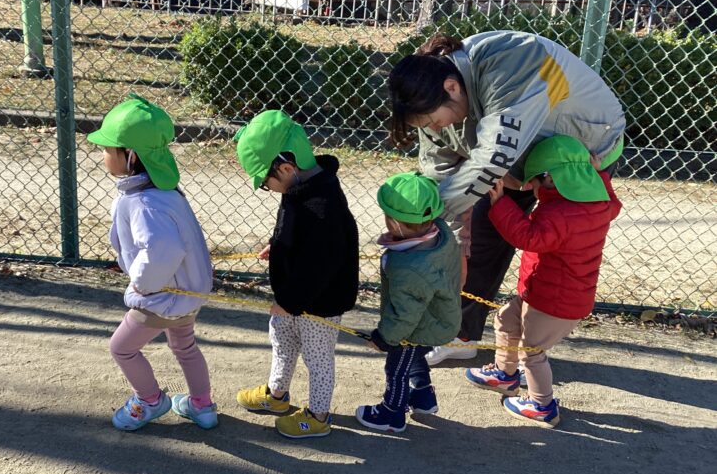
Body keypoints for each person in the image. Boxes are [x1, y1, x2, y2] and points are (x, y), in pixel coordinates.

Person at [388, 30, 626, 365]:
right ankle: (461, 335)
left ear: (451, 87)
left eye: (432, 121)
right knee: (481, 243)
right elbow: (439, 173)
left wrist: (425, 219)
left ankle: (534, 351)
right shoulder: (431, 102)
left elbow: (494, 154)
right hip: (514, 165)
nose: (435, 129)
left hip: (579, 161)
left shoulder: (510, 58)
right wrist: (451, 241)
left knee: (559, 256)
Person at [464, 135, 622, 427]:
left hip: (553, 302)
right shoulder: (599, 204)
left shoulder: (559, 213)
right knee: (506, 320)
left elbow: (529, 237)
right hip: (547, 292)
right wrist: (599, 175)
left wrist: (500, 203)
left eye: (533, 182)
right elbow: (613, 202)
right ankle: (504, 374)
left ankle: (542, 405)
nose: (531, 188)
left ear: (550, 179)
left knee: (532, 352)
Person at [88, 95, 217, 431]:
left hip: (162, 296)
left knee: (122, 348)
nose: (103, 155)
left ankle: (149, 400)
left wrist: (142, 284)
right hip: (188, 292)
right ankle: (202, 406)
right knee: (185, 346)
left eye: (107, 149)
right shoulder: (164, 192)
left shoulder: (144, 202)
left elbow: (164, 249)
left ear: (131, 156)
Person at [234, 110, 359, 439]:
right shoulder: (299, 188)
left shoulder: (322, 206)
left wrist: (289, 302)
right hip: (293, 295)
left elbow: (319, 264)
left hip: (318, 302)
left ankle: (318, 415)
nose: (267, 188)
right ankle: (277, 395)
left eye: (265, 183)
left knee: (317, 358)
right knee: (282, 341)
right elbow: (294, 230)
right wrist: (277, 244)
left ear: (286, 168)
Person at [355, 173, 461, 433]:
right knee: (414, 358)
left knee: (397, 367)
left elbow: (404, 315)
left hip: (415, 328)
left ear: (393, 221)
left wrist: (384, 338)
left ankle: (392, 413)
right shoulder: (441, 231)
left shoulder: (409, 268)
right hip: (437, 317)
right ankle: (423, 397)